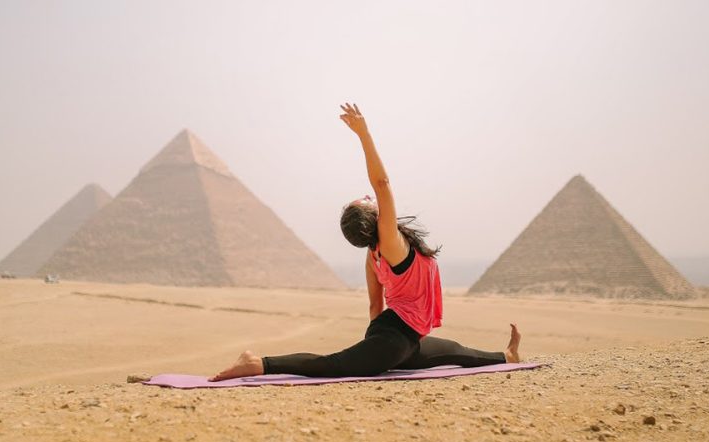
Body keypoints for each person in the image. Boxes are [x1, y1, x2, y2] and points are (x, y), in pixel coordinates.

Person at [210, 103, 520, 381]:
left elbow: (376, 304)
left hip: (398, 336)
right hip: (394, 337)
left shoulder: (375, 255)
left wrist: (377, 344)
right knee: (332, 364)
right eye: (368, 201)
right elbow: (382, 183)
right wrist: (363, 133)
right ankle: (258, 363)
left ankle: (506, 356)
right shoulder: (389, 243)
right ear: (374, 220)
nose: (372, 198)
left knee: (452, 350)